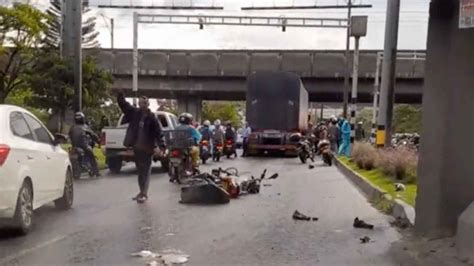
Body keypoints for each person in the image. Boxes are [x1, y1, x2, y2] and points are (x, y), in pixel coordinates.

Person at [117, 93, 163, 203]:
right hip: (137, 147)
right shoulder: (134, 113)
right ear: (139, 104)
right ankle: (141, 191)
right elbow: (124, 105)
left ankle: (144, 194)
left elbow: (159, 132)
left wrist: (161, 146)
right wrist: (120, 96)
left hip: (148, 148)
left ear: (148, 104)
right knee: (140, 171)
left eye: (145, 103)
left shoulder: (152, 117)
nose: (143, 105)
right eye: (141, 103)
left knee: (146, 171)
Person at [69, 112, 101, 178]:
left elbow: (69, 135)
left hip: (74, 147)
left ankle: (77, 171)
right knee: (91, 155)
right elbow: (93, 135)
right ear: (83, 119)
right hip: (84, 146)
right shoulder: (85, 127)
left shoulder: (72, 127)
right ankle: (96, 172)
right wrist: (98, 141)